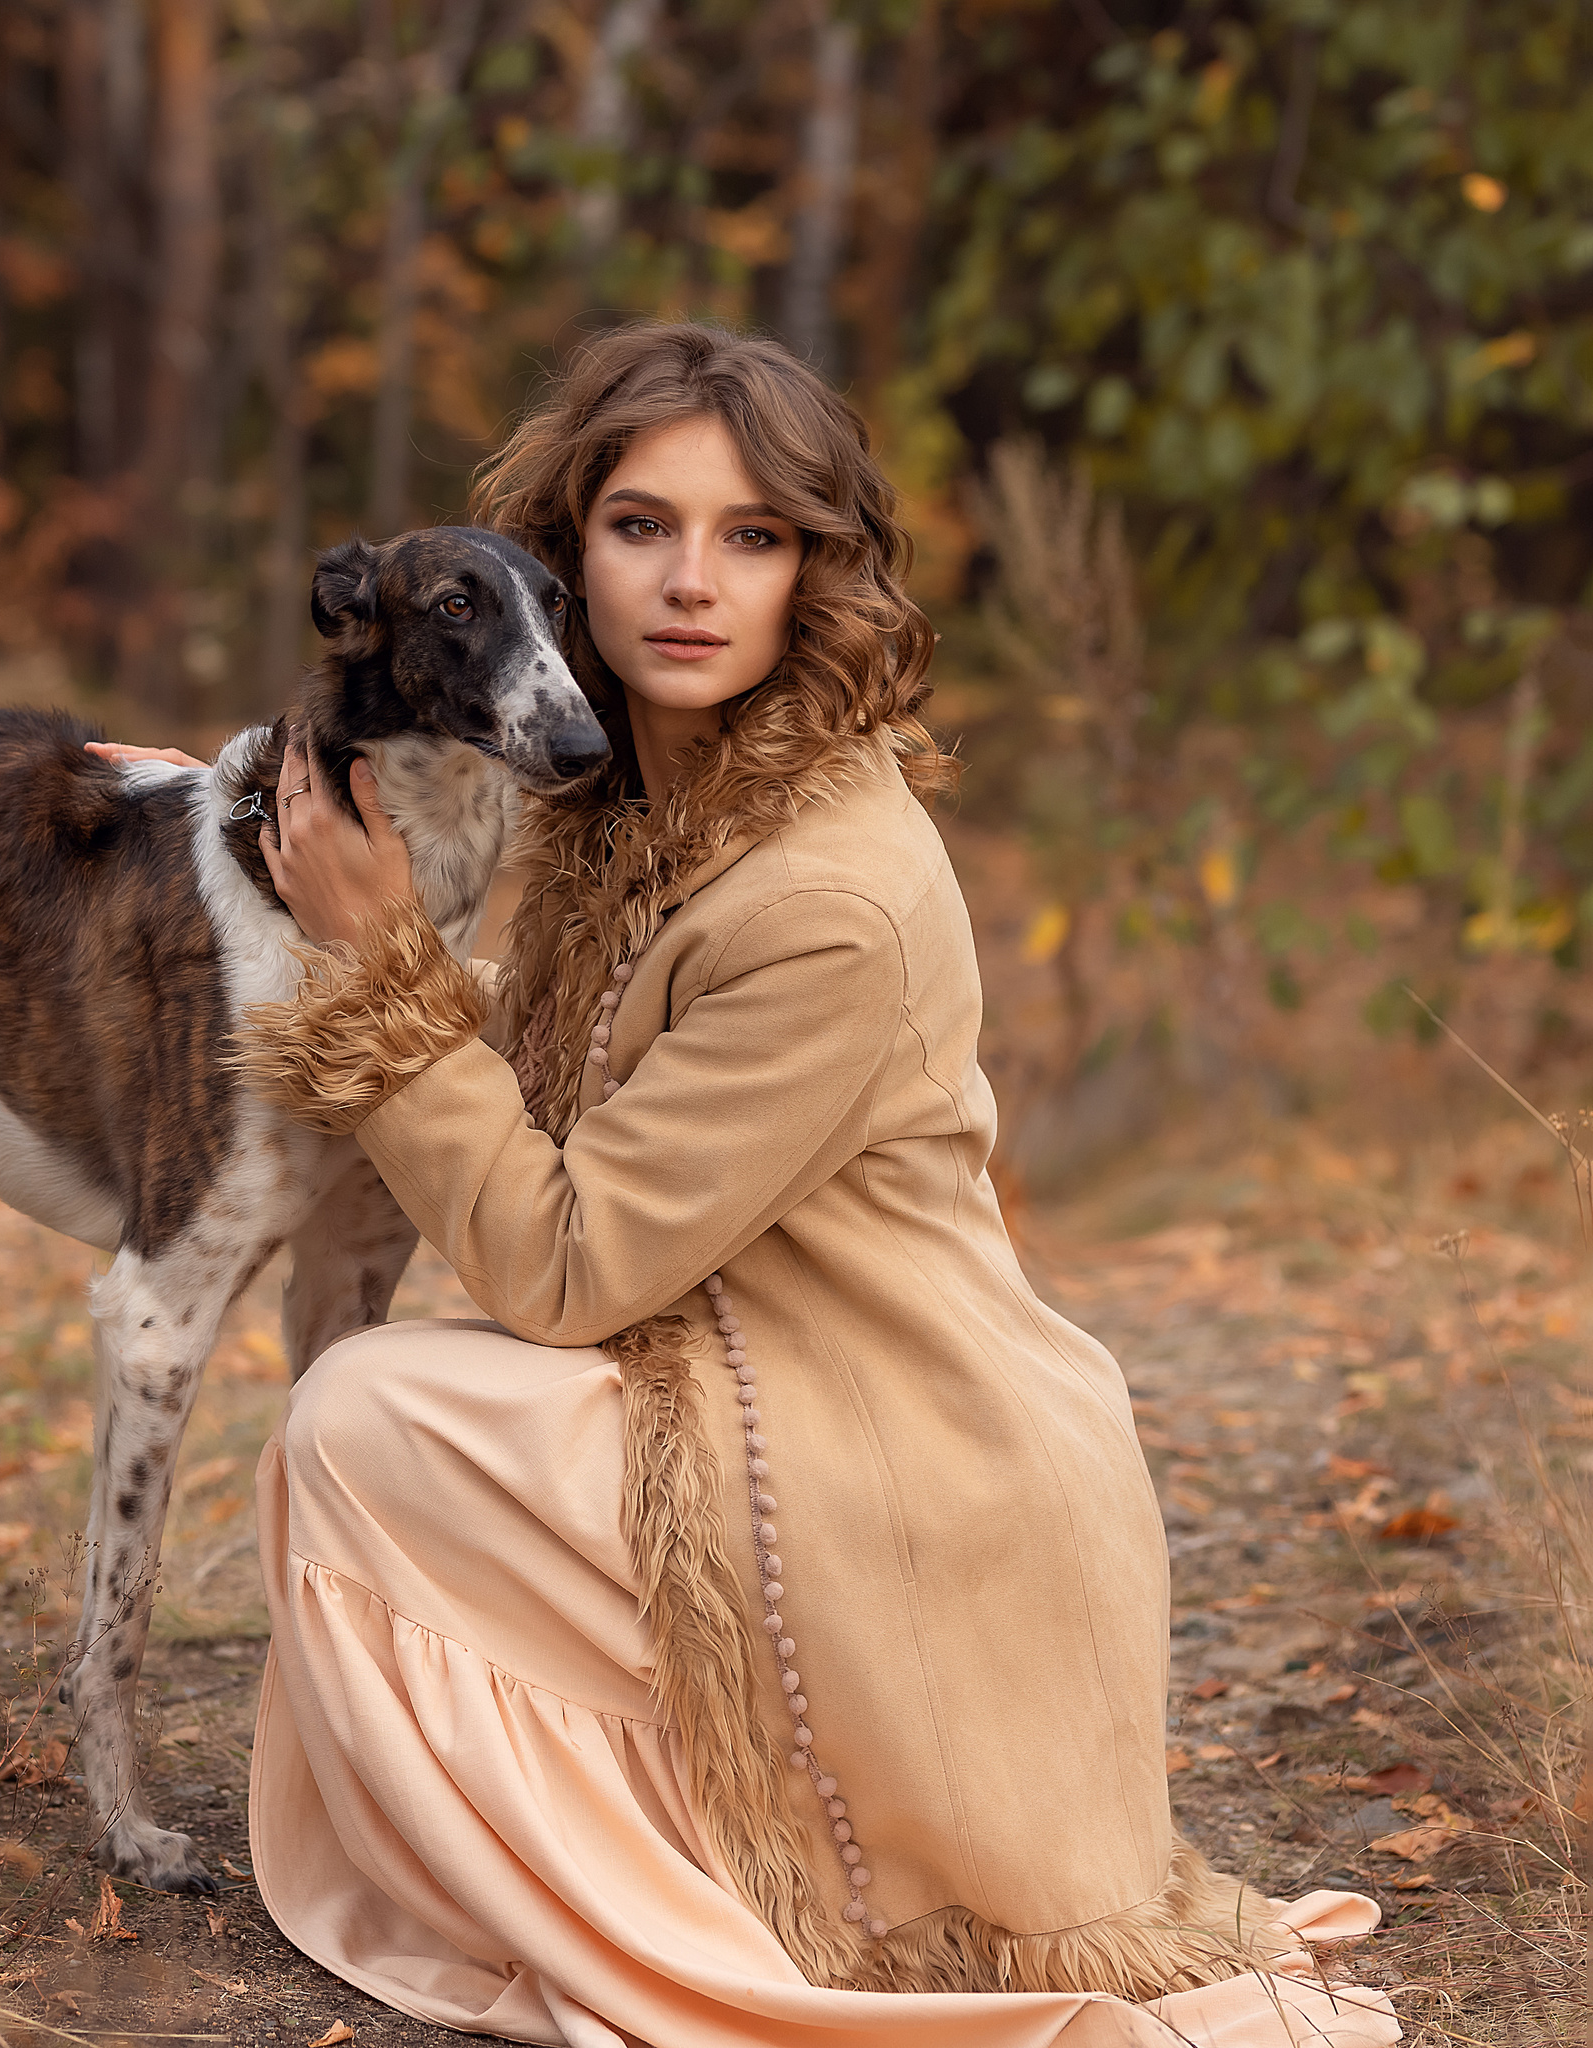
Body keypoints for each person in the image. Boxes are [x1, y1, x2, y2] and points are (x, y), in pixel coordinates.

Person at [90, 322, 1397, 2048]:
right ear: (568, 561)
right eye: (641, 529)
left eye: (754, 536)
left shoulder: (825, 894)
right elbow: (516, 1038)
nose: (691, 583)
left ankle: (682, 1888)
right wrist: (204, 809)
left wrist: (382, 967)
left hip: (898, 1468)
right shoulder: (626, 804)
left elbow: (561, 1266)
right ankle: (643, 1823)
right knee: (390, 1404)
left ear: (818, 574)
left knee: (367, 1414)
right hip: (728, 1377)